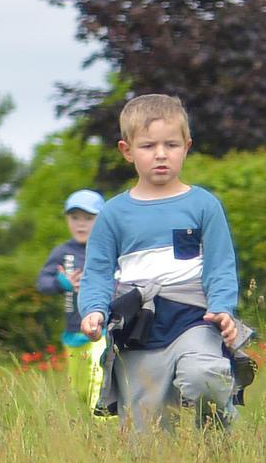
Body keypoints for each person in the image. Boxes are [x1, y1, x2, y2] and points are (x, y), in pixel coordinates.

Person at [78, 96, 247, 440]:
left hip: (195, 319)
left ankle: (220, 442)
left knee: (204, 377)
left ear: (186, 147)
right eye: (148, 145)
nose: (160, 153)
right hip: (139, 326)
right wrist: (93, 310)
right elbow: (97, 271)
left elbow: (220, 267)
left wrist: (222, 310)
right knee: (149, 433)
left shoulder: (204, 205)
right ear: (127, 151)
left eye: (171, 144)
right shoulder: (113, 213)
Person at [38, 189, 106, 400]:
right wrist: (61, 283)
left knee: (99, 380)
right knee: (80, 390)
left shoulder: (107, 248)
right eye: (75, 218)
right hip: (73, 331)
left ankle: (103, 426)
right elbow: (42, 283)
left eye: (88, 218)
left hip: (102, 329)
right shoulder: (62, 252)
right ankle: (90, 428)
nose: (81, 224)